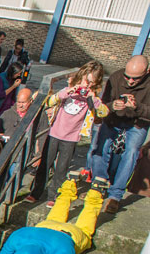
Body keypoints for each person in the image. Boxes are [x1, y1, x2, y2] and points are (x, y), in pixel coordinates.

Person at [85, 54, 149, 214]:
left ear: (147, 72)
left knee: (131, 152)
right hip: (113, 119)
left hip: (137, 123)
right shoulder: (116, 77)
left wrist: (137, 107)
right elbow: (103, 105)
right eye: (128, 77)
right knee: (100, 148)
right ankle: (99, 184)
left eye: (135, 79)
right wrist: (112, 106)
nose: (130, 81)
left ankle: (115, 196)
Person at [41, 62, 106, 205]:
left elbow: (102, 114)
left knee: (62, 168)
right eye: (85, 81)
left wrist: (92, 98)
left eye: (91, 83)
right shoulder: (68, 91)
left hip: (71, 137)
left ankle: (52, 195)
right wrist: (67, 92)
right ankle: (36, 191)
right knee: (45, 162)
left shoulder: (91, 98)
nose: (86, 86)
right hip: (55, 132)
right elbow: (49, 102)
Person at [0, 63, 25, 132]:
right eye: (18, 73)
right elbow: (1, 94)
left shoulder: (15, 80)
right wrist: (13, 86)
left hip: (7, 107)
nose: (19, 75)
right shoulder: (0, 78)